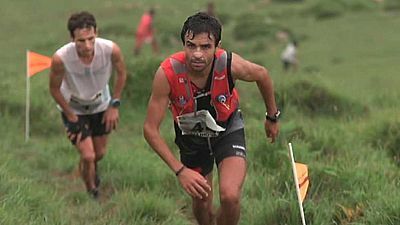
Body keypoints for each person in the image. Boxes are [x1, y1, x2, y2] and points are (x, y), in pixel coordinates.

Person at [143, 12, 279, 225]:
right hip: (191, 138)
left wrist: (272, 117)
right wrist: (180, 171)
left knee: (230, 196)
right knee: (202, 202)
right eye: (191, 45)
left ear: (217, 46)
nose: (197, 54)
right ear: (183, 44)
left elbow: (262, 74)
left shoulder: (229, 64)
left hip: (227, 129)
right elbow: (150, 129)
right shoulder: (167, 73)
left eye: (205, 47)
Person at [49, 11, 127, 199]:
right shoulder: (61, 58)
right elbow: (54, 89)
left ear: (97, 32)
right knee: (88, 156)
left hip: (101, 104)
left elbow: (122, 74)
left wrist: (114, 104)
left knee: (98, 154)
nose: (87, 46)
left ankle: (87, 169)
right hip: (74, 107)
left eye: (91, 39)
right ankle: (92, 191)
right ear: (71, 39)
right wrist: (70, 114)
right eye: (81, 41)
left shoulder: (110, 49)